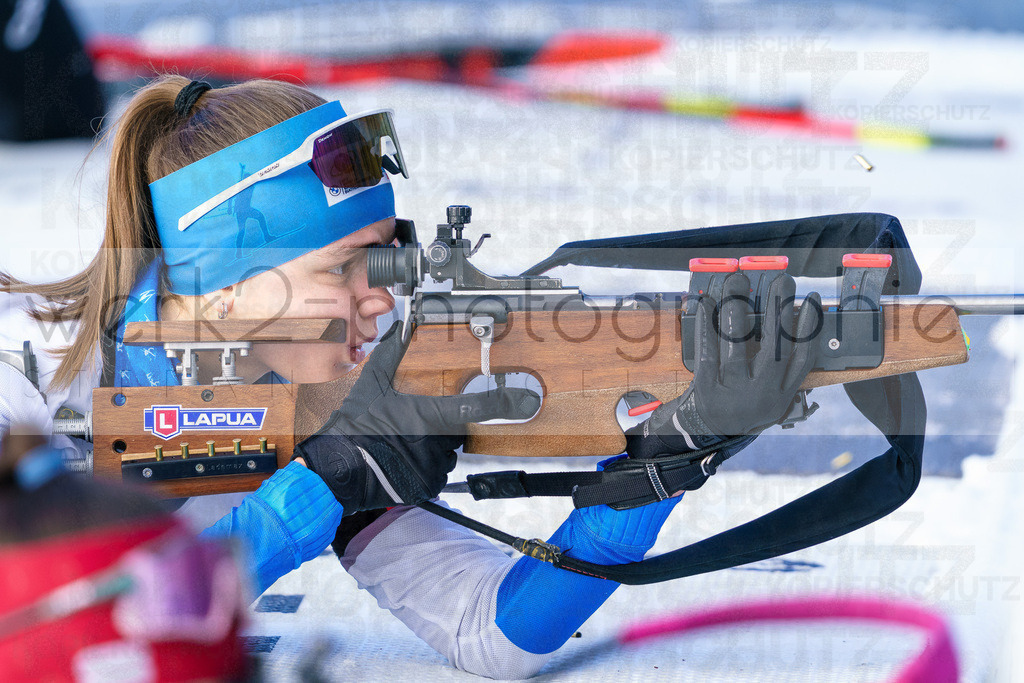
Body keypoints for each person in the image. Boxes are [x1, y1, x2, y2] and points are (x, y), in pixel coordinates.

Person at [0, 75, 815, 678]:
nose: (381, 296)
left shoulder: (316, 396)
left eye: (388, 255)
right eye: (345, 266)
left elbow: (488, 629)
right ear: (222, 279)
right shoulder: (23, 373)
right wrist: (314, 494)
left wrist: (650, 480)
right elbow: (31, 629)